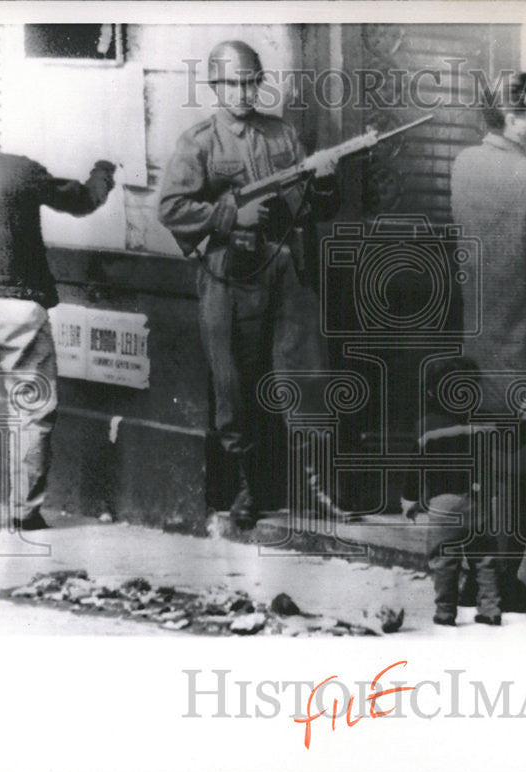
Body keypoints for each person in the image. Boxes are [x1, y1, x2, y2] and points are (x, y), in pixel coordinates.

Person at [158, 41, 341, 528]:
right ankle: (249, 486)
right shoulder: (199, 143)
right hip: (229, 276)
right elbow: (171, 208)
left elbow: (316, 207)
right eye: (231, 84)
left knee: (305, 374)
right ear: (215, 87)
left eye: (249, 82)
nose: (241, 92)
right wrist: (230, 213)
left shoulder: (282, 134)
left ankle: (314, 491)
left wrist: (323, 180)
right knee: (234, 384)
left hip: (286, 270)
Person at [0, 76, 116, 533]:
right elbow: (82, 202)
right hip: (20, 307)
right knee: (32, 409)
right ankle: (24, 511)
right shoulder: (19, 169)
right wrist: (104, 170)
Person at [449, 71, 526, 613]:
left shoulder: (463, 166)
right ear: (513, 118)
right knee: (521, 471)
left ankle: (475, 580)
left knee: (483, 468)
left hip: (474, 343)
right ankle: (503, 584)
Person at [400, 358, 503, 627]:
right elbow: (487, 462)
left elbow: (416, 466)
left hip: (444, 502)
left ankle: (445, 612)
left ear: (432, 392)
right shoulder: (481, 423)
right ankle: (490, 609)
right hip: (478, 499)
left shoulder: (428, 426)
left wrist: (409, 499)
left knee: (444, 559)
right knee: (484, 557)